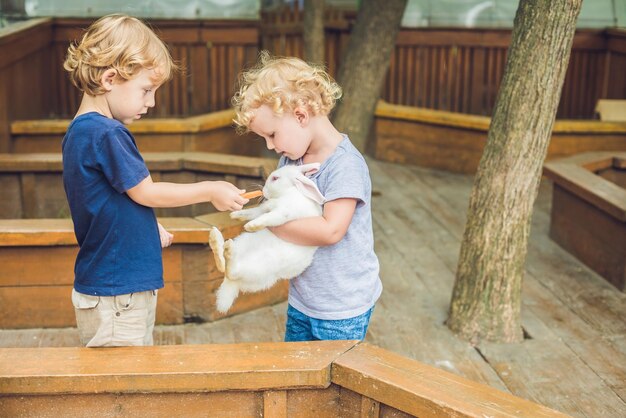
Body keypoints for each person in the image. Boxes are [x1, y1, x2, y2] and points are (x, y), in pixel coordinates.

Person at [62, 14, 249, 347]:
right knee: (124, 389)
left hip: (112, 289)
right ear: (109, 79)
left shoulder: (82, 131)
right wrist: (210, 189)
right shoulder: (107, 133)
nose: (151, 102)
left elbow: (107, 201)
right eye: (146, 90)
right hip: (120, 295)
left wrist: (143, 227)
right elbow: (145, 191)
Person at [232, 52, 382, 341]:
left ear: (301, 115)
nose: (270, 146)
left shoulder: (344, 165)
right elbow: (278, 203)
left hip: (342, 306)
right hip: (304, 298)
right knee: (299, 371)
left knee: (332, 378)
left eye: (272, 135)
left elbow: (331, 230)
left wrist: (268, 221)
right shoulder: (291, 160)